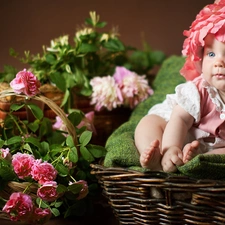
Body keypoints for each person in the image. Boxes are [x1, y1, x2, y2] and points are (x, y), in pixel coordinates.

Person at [134, 0, 225, 173]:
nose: (219, 62)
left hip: (210, 145)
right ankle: (158, 158)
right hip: (175, 131)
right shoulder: (199, 90)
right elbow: (180, 120)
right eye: (211, 54)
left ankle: (200, 161)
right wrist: (171, 147)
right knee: (148, 124)